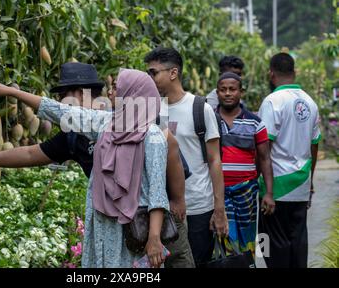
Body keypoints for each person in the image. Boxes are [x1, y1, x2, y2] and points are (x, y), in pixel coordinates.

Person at [0, 63, 194, 268]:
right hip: (102, 226)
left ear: (133, 94)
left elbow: (156, 193)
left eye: (117, 88)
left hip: (135, 231)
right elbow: (59, 111)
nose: (111, 93)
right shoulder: (106, 124)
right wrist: (10, 92)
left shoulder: (152, 136)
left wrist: (154, 237)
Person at [144, 47, 228, 267]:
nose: (150, 78)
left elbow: (214, 160)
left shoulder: (200, 108)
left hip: (198, 206)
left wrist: (219, 210)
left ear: (173, 73)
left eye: (154, 72)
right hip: (163, 209)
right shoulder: (151, 110)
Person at [107, 77, 195, 268]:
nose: (110, 92)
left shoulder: (152, 120)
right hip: (134, 213)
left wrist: (178, 199)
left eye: (116, 87)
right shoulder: (112, 121)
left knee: (176, 257)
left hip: (162, 207)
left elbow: (173, 153)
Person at [258, 53, 321, 268]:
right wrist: (310, 182)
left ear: (271, 74)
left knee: (270, 246)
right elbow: (315, 145)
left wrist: (267, 191)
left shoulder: (272, 101)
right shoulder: (310, 103)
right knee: (298, 244)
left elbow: (264, 147)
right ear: (294, 73)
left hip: (275, 188)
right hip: (301, 186)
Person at [215, 72, 275, 255]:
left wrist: (269, 193)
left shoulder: (255, 122)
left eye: (232, 89)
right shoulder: (209, 119)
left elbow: (265, 158)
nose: (227, 93)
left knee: (248, 241)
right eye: (223, 90)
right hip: (219, 191)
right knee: (225, 238)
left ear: (241, 92)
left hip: (247, 191)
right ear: (217, 93)